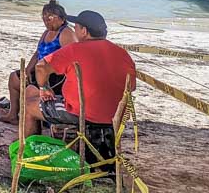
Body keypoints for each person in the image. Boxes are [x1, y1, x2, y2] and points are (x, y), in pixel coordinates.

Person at [22, 10, 136, 140]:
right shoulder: (122, 53)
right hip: (116, 115)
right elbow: (131, 87)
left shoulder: (75, 49)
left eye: (76, 27)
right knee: (33, 93)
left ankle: (30, 148)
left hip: (82, 114)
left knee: (29, 106)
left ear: (84, 31)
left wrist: (44, 88)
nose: (74, 31)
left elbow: (41, 66)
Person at [0, 2, 78, 123]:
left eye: (50, 17)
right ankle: (13, 114)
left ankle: (31, 120)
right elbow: (37, 52)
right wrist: (28, 69)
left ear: (61, 19)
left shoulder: (66, 33)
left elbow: (73, 59)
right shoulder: (47, 32)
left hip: (54, 76)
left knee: (30, 89)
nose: (46, 21)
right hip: (39, 70)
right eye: (44, 17)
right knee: (14, 78)